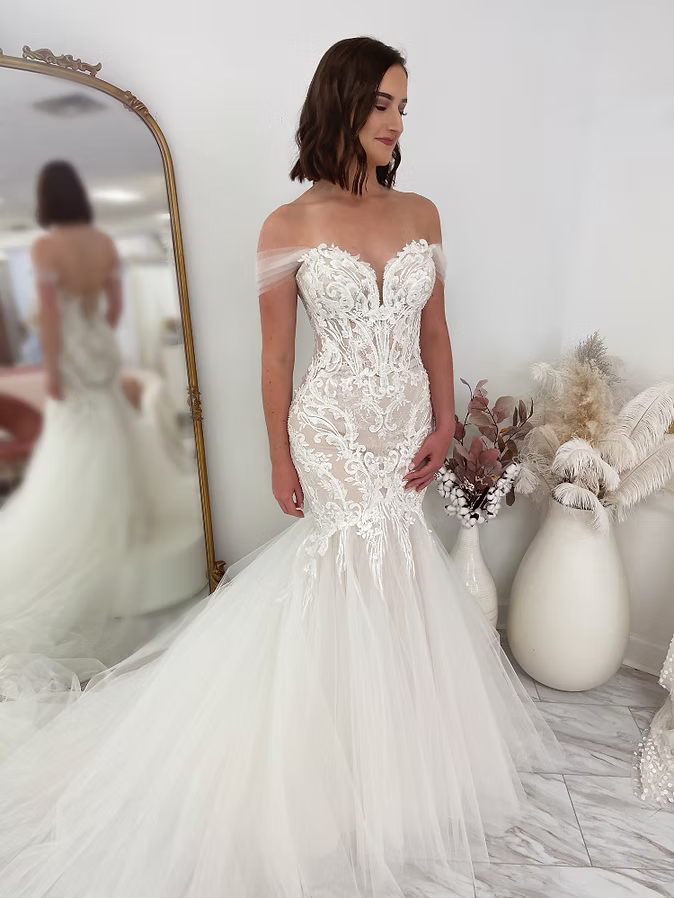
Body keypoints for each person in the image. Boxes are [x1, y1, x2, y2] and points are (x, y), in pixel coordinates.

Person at [0, 39, 564, 898]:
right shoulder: (287, 226)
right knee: (341, 575)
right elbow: (274, 361)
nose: (399, 122)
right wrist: (279, 454)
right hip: (332, 429)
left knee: (400, 575)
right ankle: (320, 783)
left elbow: (436, 332)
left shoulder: (422, 214)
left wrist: (446, 418)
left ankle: (396, 769)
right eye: (384, 104)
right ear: (343, 102)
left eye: (405, 107)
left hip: (404, 422)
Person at [0, 161, 202, 754]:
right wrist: (93, 341)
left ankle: (84, 531)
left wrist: (59, 376)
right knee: (109, 444)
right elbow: (112, 312)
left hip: (73, 364)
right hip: (103, 359)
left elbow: (54, 321)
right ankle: (115, 522)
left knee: (70, 461)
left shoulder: (47, 249)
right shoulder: (100, 245)